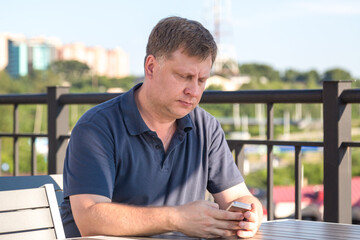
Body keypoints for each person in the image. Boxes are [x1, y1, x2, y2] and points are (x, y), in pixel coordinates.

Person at [61, 16, 263, 239]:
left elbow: (238, 196)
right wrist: (177, 219)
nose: (194, 91)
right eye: (184, 77)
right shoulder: (97, 128)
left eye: (202, 80)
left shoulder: (206, 127)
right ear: (151, 67)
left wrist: (251, 214)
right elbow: (90, 219)